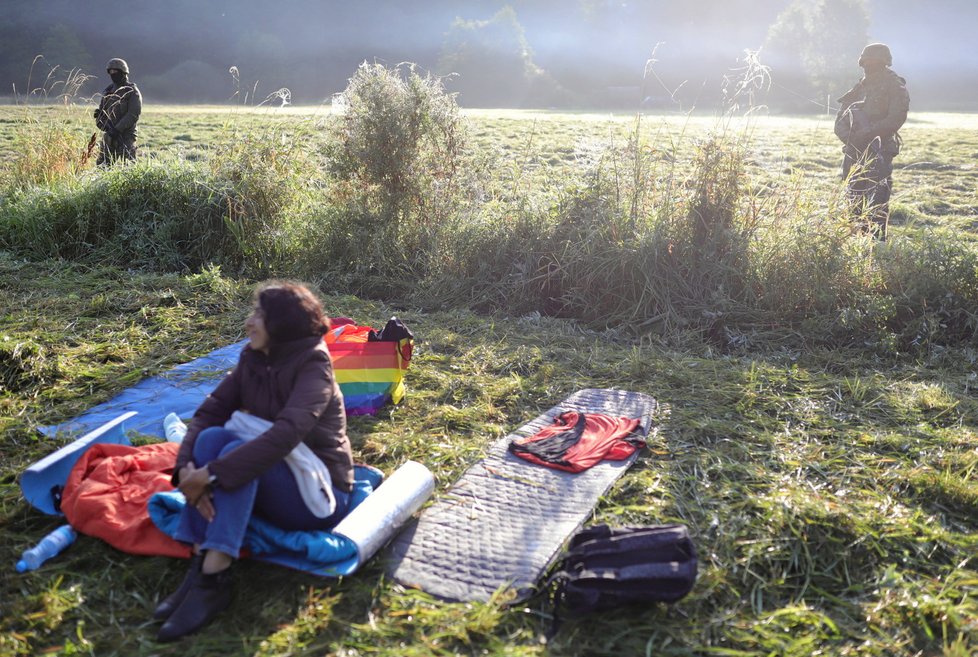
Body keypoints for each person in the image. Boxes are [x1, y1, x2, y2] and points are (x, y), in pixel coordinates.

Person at [154, 282, 355, 643]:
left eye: (258, 315)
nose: (249, 323)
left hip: (318, 490)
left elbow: (286, 434)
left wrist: (211, 474)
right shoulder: (253, 357)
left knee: (232, 455)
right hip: (277, 477)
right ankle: (201, 562)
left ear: (282, 323)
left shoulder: (314, 365)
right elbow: (210, 412)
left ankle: (216, 573)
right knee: (213, 438)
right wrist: (185, 468)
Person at [834, 43, 910, 240]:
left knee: (877, 200)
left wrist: (870, 134)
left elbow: (895, 118)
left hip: (880, 150)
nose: (870, 66)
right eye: (867, 63)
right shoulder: (860, 87)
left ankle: (876, 244)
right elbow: (840, 122)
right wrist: (853, 138)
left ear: (885, 63)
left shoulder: (895, 86)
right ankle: (855, 239)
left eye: (875, 63)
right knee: (852, 197)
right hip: (854, 151)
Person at [93, 58, 142, 165]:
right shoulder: (108, 91)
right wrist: (100, 119)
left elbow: (133, 115)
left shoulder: (132, 91)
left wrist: (117, 129)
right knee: (103, 166)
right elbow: (102, 111)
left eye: (116, 71)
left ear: (123, 72)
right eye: (111, 72)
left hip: (126, 135)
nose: (113, 74)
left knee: (129, 167)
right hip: (109, 135)